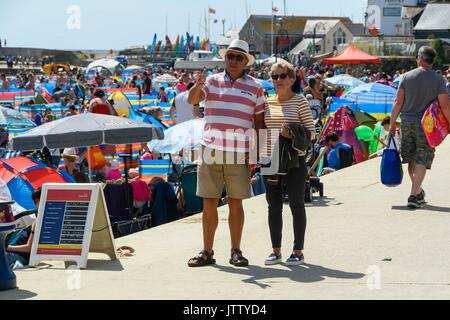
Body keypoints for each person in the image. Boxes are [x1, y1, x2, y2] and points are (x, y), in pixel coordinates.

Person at [187, 39, 265, 268]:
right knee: (208, 203)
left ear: (245, 62)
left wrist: (257, 154)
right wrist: (196, 85)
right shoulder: (211, 81)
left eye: (238, 57)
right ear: (225, 58)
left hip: (238, 152)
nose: (233, 61)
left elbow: (259, 122)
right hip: (211, 150)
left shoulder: (256, 87)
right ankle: (207, 251)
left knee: (235, 204)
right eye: (230, 56)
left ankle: (236, 250)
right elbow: (193, 100)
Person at [262, 61, 315, 266]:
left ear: (292, 79)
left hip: (294, 159)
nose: (278, 80)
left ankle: (298, 250)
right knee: (273, 206)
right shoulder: (267, 102)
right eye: (274, 77)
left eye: (282, 76)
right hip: (271, 158)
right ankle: (275, 250)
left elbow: (311, 133)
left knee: (296, 203)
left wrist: (290, 133)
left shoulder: (300, 101)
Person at [390, 46, 450, 209]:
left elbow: (398, 103)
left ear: (421, 59)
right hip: (427, 125)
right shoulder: (438, 80)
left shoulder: (406, 77)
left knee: (411, 158)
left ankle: (417, 192)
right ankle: (413, 195)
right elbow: (445, 106)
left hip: (407, 122)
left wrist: (391, 123)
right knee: (422, 158)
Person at [5, 189, 41, 269]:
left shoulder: (38, 221)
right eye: (34, 201)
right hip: (16, 253)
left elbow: (29, 248)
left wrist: (6, 247)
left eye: (37, 201)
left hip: (18, 255)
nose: (35, 204)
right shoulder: (42, 219)